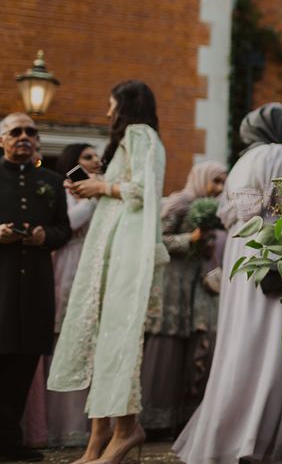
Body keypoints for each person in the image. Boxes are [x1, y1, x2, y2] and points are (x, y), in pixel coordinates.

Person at [174, 103, 282, 464]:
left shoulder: (242, 162)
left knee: (242, 341)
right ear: (276, 129)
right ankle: (258, 435)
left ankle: (231, 431)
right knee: (268, 341)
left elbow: (233, 213)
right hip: (267, 253)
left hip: (239, 252)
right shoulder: (275, 153)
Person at [48, 81, 166, 464]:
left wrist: (100, 186)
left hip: (126, 254)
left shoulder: (140, 133)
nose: (107, 113)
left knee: (118, 339)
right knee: (102, 339)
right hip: (109, 251)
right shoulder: (129, 140)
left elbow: (144, 189)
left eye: (111, 105)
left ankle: (126, 430)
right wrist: (96, 187)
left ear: (127, 106)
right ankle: (97, 438)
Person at [0, 113, 71, 462]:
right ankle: (8, 440)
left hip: (36, 288)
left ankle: (9, 442)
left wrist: (47, 236)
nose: (24, 137)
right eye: (16, 131)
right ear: (2, 140)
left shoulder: (52, 180)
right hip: (2, 282)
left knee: (25, 363)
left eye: (30, 131)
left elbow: (65, 230)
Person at [141, 160, 227, 434]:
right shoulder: (180, 201)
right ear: (201, 178)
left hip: (198, 282)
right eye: (216, 180)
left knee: (199, 341)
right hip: (173, 283)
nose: (219, 188)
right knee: (169, 345)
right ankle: (156, 419)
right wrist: (190, 239)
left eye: (223, 181)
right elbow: (157, 240)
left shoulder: (214, 209)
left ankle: (186, 417)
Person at [44, 143, 103, 447]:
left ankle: (86, 426)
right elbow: (70, 223)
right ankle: (58, 425)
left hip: (96, 264)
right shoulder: (66, 189)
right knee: (64, 336)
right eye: (88, 157)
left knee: (90, 341)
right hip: (70, 263)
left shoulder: (103, 190)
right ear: (73, 162)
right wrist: (92, 197)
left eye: (97, 156)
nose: (96, 161)